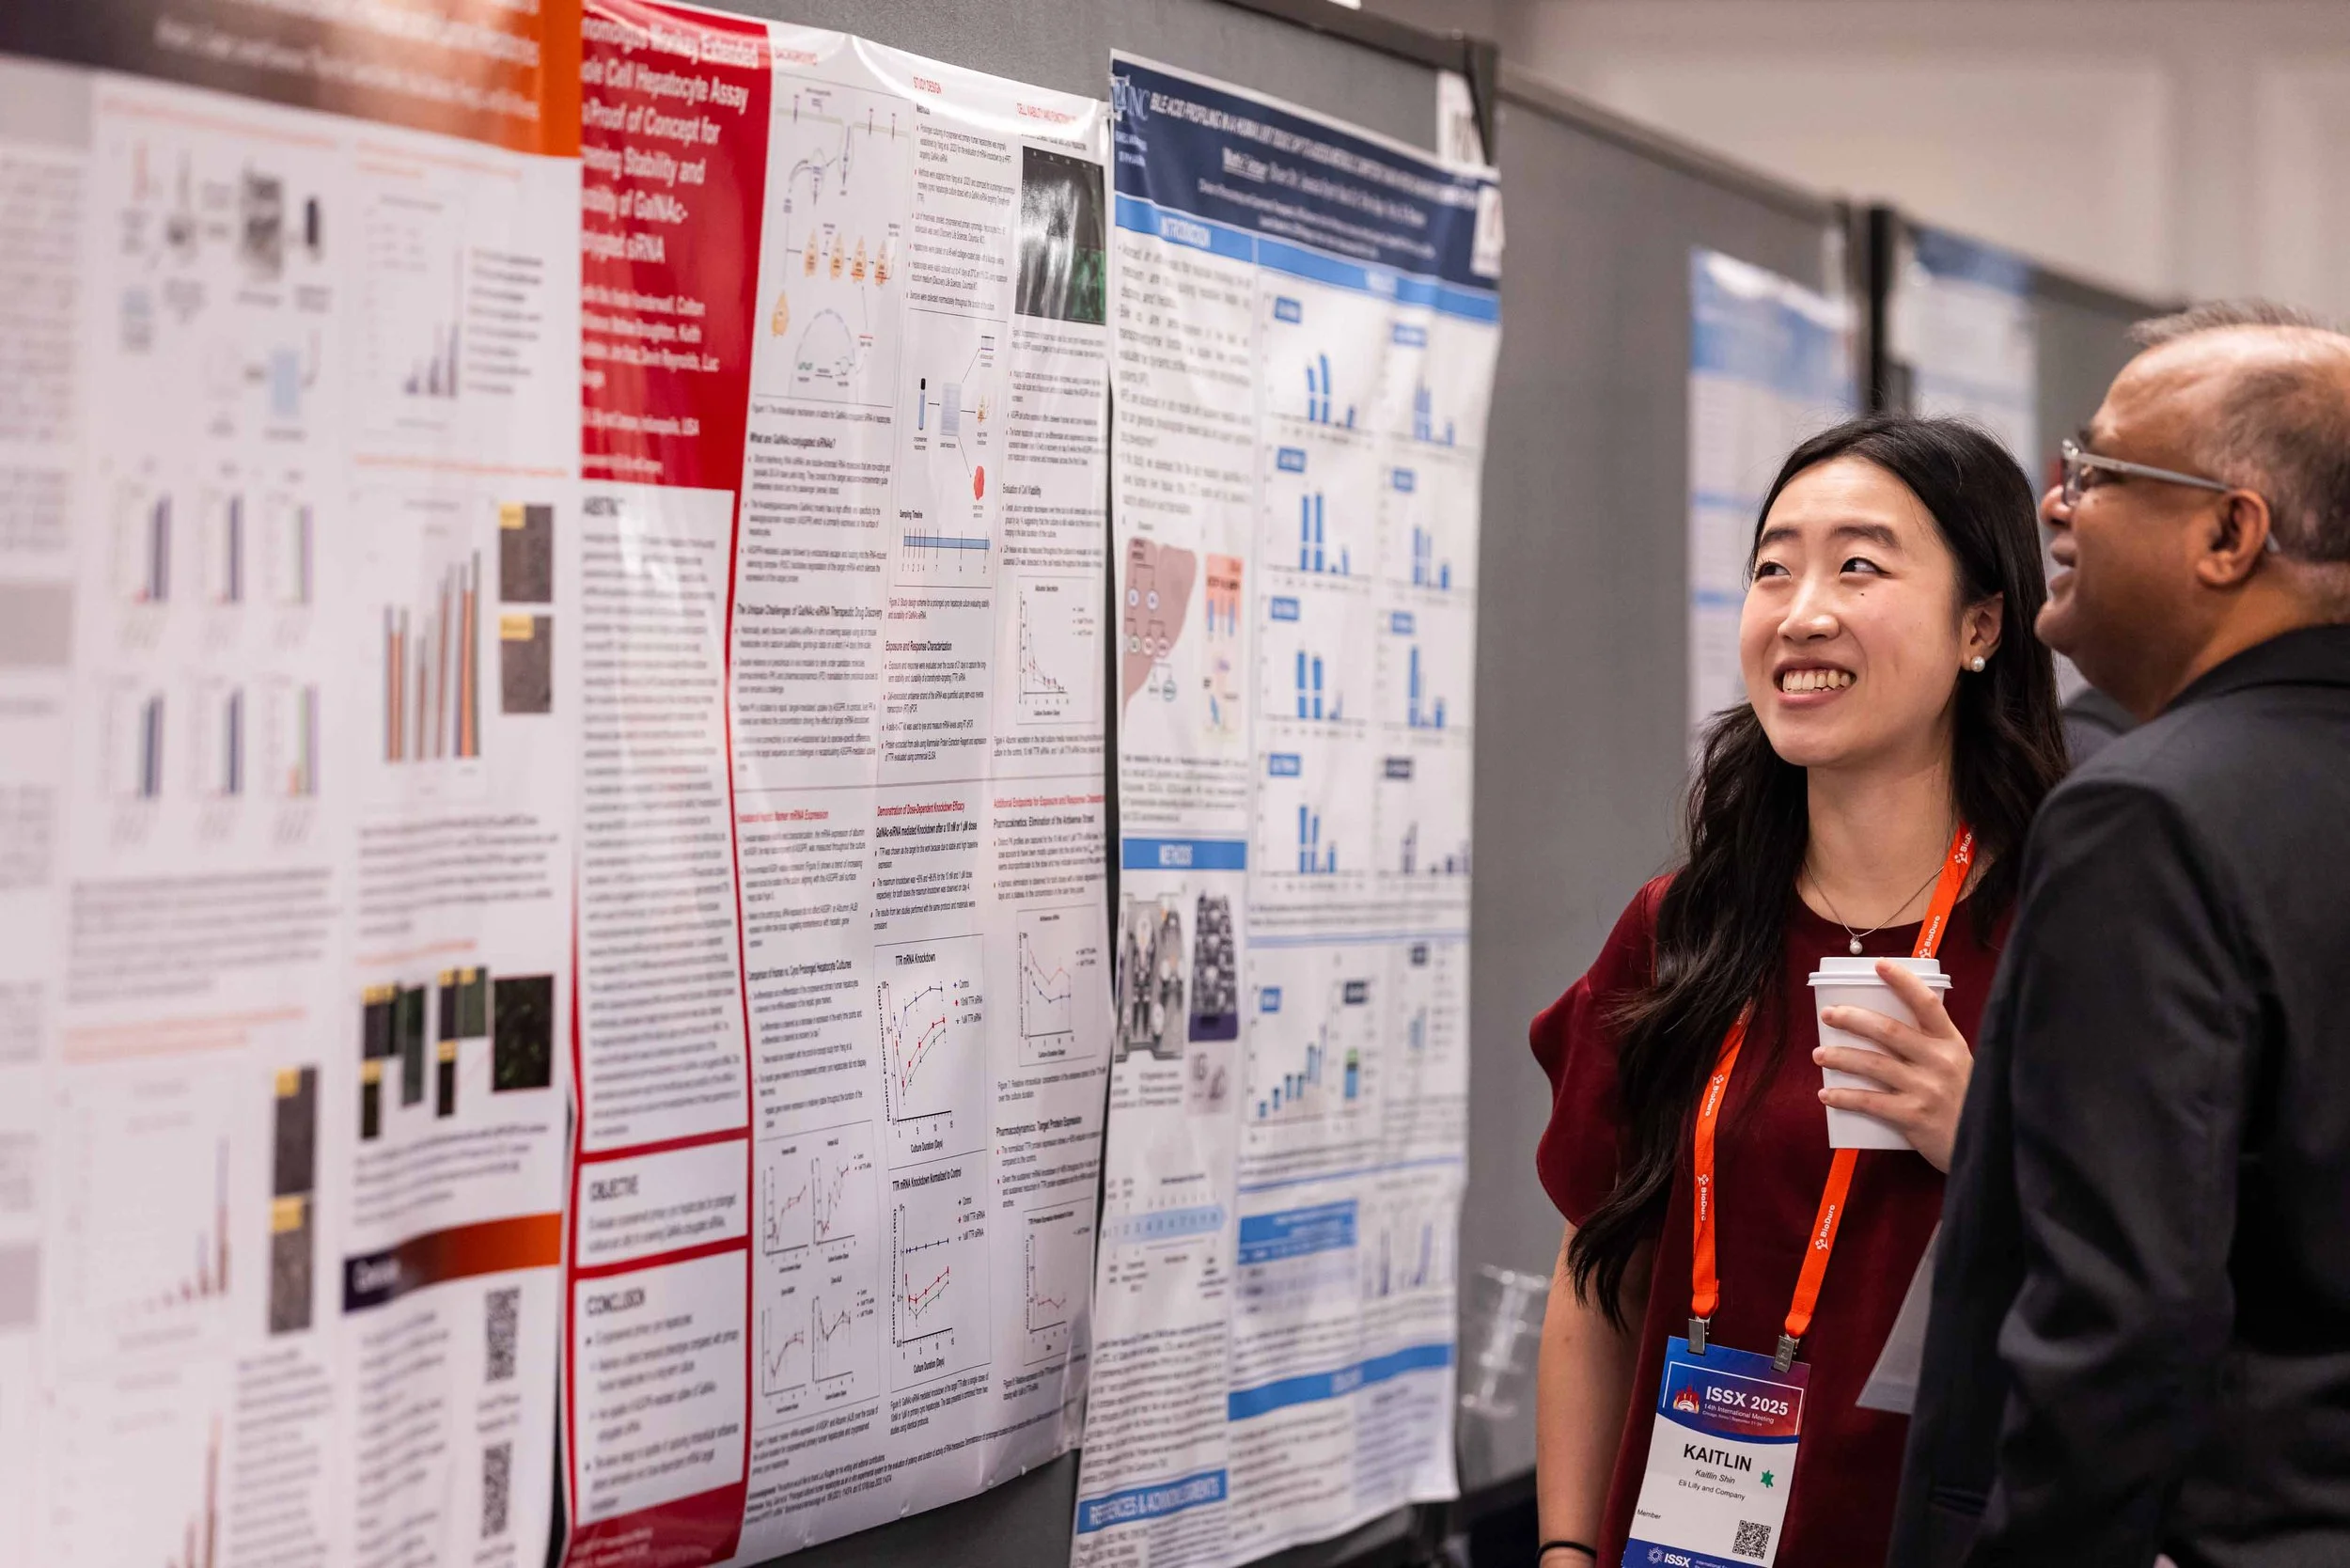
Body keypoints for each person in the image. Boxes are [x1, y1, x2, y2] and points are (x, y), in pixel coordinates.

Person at [1529, 415, 2066, 1568]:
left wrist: (1985, 1144)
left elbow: (2164, 1288)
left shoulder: (2068, 931)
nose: (1800, 610)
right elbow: (1596, 1274)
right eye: (1772, 567)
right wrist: (1567, 1550)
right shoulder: (1685, 926)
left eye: (1857, 565)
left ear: (1980, 626)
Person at [1890, 302, 2350, 1567]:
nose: (2054, 506)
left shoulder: (2147, 816)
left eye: (2096, 472)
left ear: (2228, 533)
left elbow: (2123, 1316)